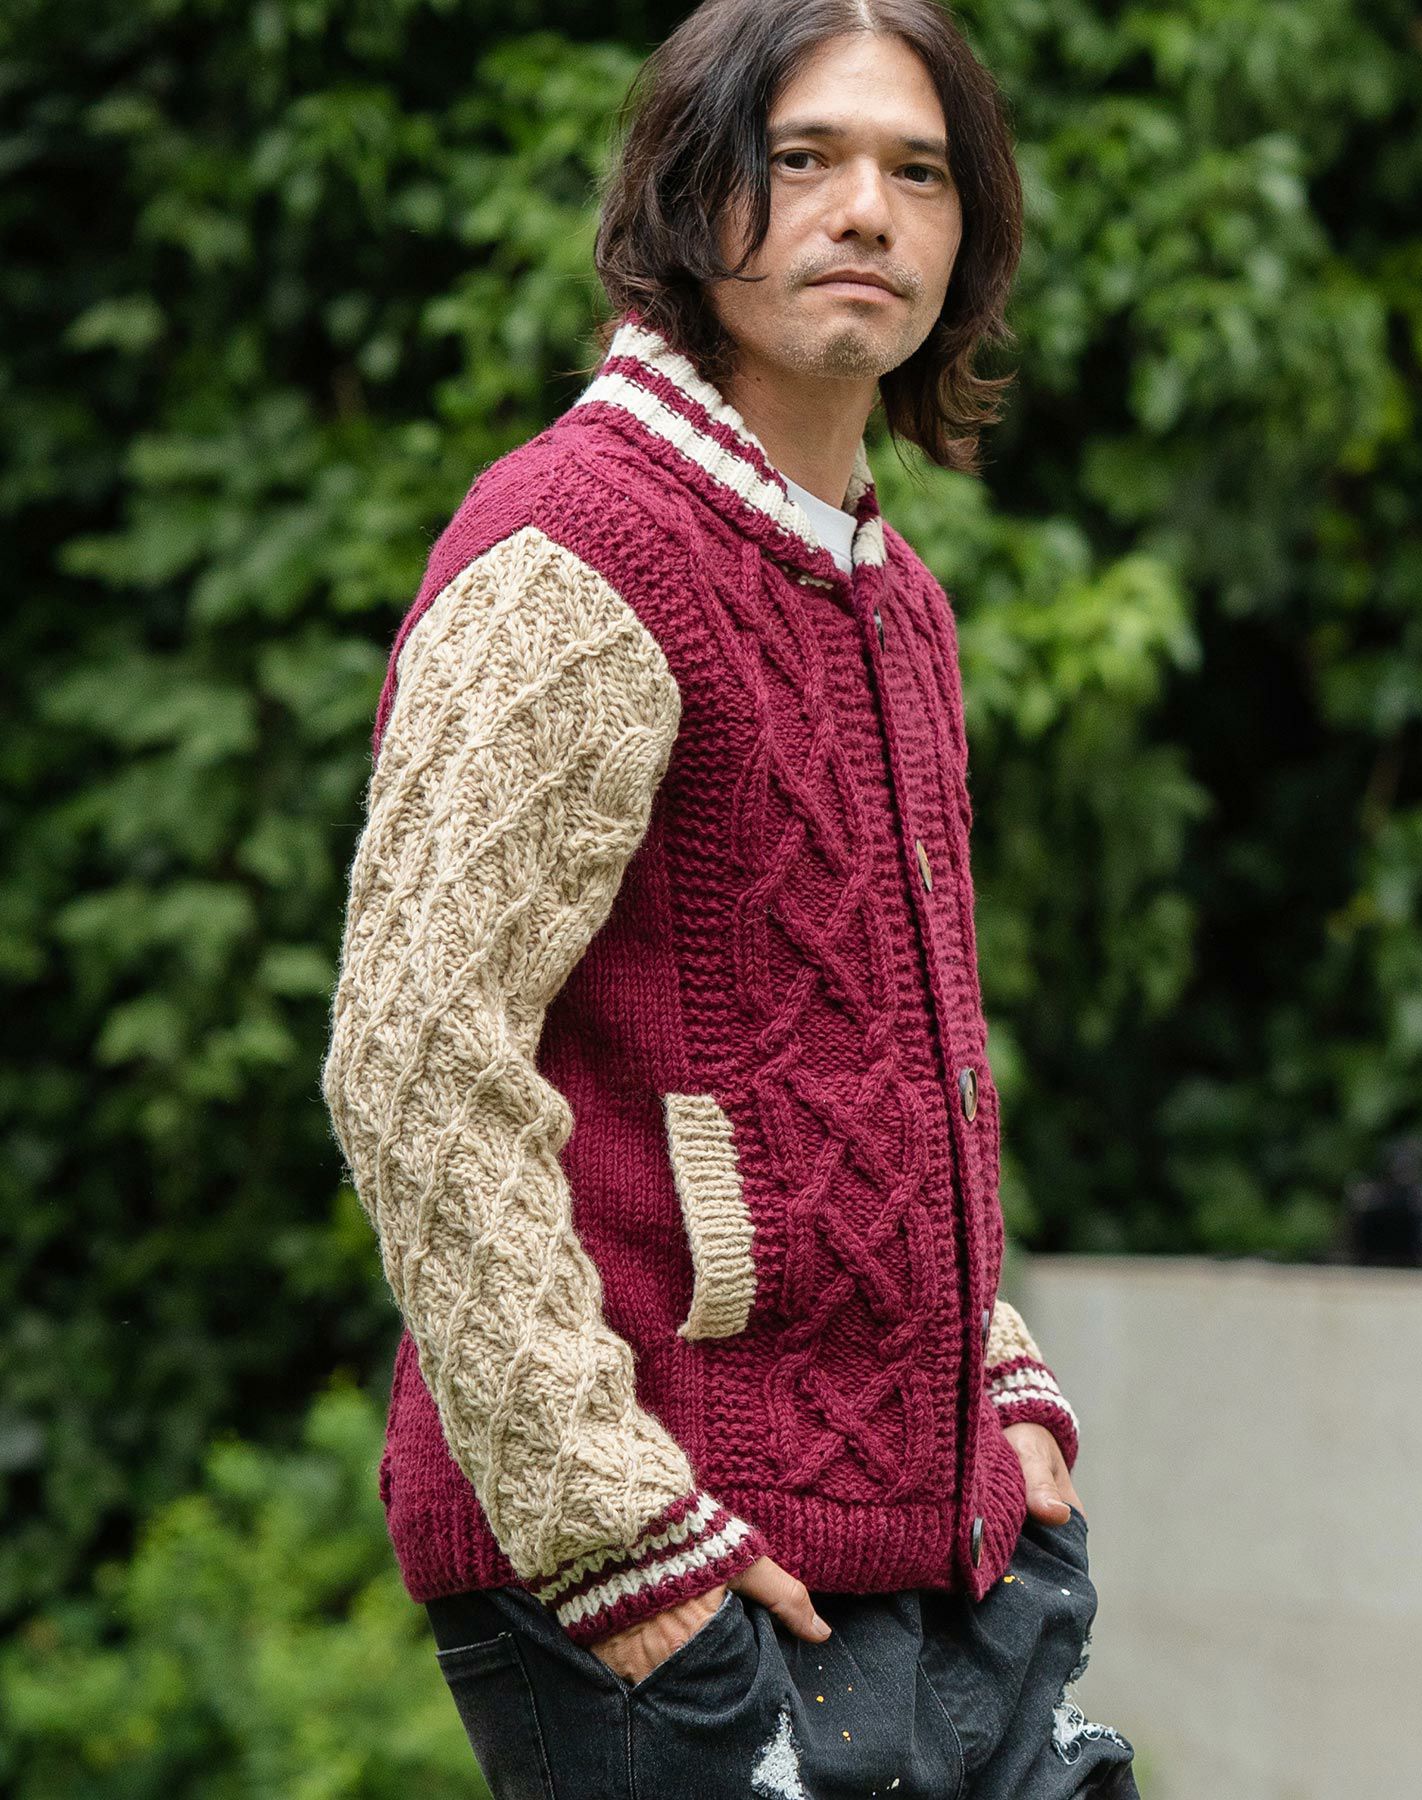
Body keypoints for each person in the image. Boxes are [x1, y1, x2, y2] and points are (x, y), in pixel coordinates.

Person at [319, 0, 1140, 1793]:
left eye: (919, 171)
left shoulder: (894, 598)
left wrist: (998, 1380)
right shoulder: (573, 558)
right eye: (804, 158)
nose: (867, 211)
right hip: (672, 1585)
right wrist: (615, 1537)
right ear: (694, 201)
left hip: (949, 1559)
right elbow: (414, 1059)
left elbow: (877, 1069)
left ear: (969, 233)